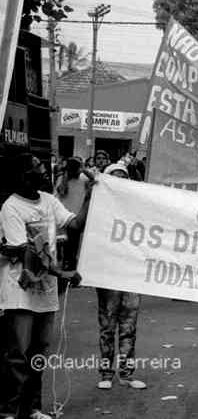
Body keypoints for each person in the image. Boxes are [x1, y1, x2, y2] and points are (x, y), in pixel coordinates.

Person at [0, 153, 89, 419]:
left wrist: (91, 198)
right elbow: (27, 252)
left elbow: (75, 223)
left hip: (47, 292)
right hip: (20, 292)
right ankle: (10, 411)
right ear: (22, 175)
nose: (43, 172)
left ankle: (33, 407)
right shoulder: (10, 207)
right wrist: (63, 272)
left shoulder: (49, 201)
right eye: (36, 168)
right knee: (17, 356)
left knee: (38, 353)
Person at [95, 163, 147, 390]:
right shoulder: (100, 210)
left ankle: (126, 373)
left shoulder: (136, 209)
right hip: (108, 274)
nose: (119, 181)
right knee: (108, 326)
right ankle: (106, 373)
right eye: (114, 178)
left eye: (123, 178)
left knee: (129, 326)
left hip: (131, 273)